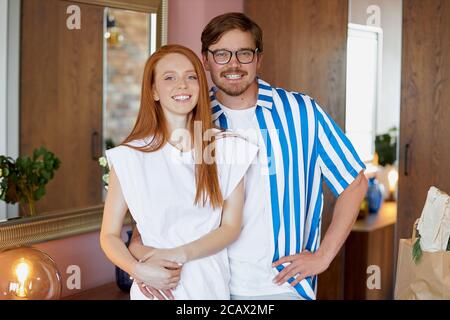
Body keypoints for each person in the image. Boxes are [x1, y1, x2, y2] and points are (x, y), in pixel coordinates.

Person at [129, 12, 368, 300]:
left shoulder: (301, 113)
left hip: (282, 287)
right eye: (221, 54)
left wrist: (323, 256)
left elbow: (354, 184)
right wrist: (141, 262)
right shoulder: (189, 121)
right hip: (205, 285)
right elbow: (157, 207)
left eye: (244, 53)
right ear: (205, 60)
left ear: (258, 58)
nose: (233, 64)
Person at [100, 44, 258, 300]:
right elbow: (108, 235)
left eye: (191, 76)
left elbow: (230, 228)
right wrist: (138, 270)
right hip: (154, 289)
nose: (182, 85)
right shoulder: (129, 156)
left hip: (209, 286)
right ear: (153, 90)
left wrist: (178, 254)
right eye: (169, 77)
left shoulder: (227, 148)